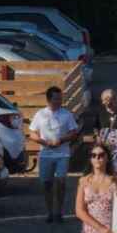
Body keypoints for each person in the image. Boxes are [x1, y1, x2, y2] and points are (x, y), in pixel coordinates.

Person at [30, 86, 79, 223]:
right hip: (46, 154)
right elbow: (32, 133)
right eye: (56, 99)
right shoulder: (40, 114)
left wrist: (62, 140)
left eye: (60, 98)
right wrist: (43, 142)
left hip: (62, 154)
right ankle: (50, 212)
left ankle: (59, 211)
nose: (59, 101)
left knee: (61, 182)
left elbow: (74, 132)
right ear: (48, 99)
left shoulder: (66, 114)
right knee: (47, 183)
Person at [94, 89, 117, 175]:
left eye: (110, 101)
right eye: (105, 101)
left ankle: (116, 185)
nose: (107, 104)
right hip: (104, 145)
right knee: (104, 168)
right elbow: (96, 126)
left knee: (116, 170)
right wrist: (97, 137)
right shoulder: (100, 110)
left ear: (115, 99)